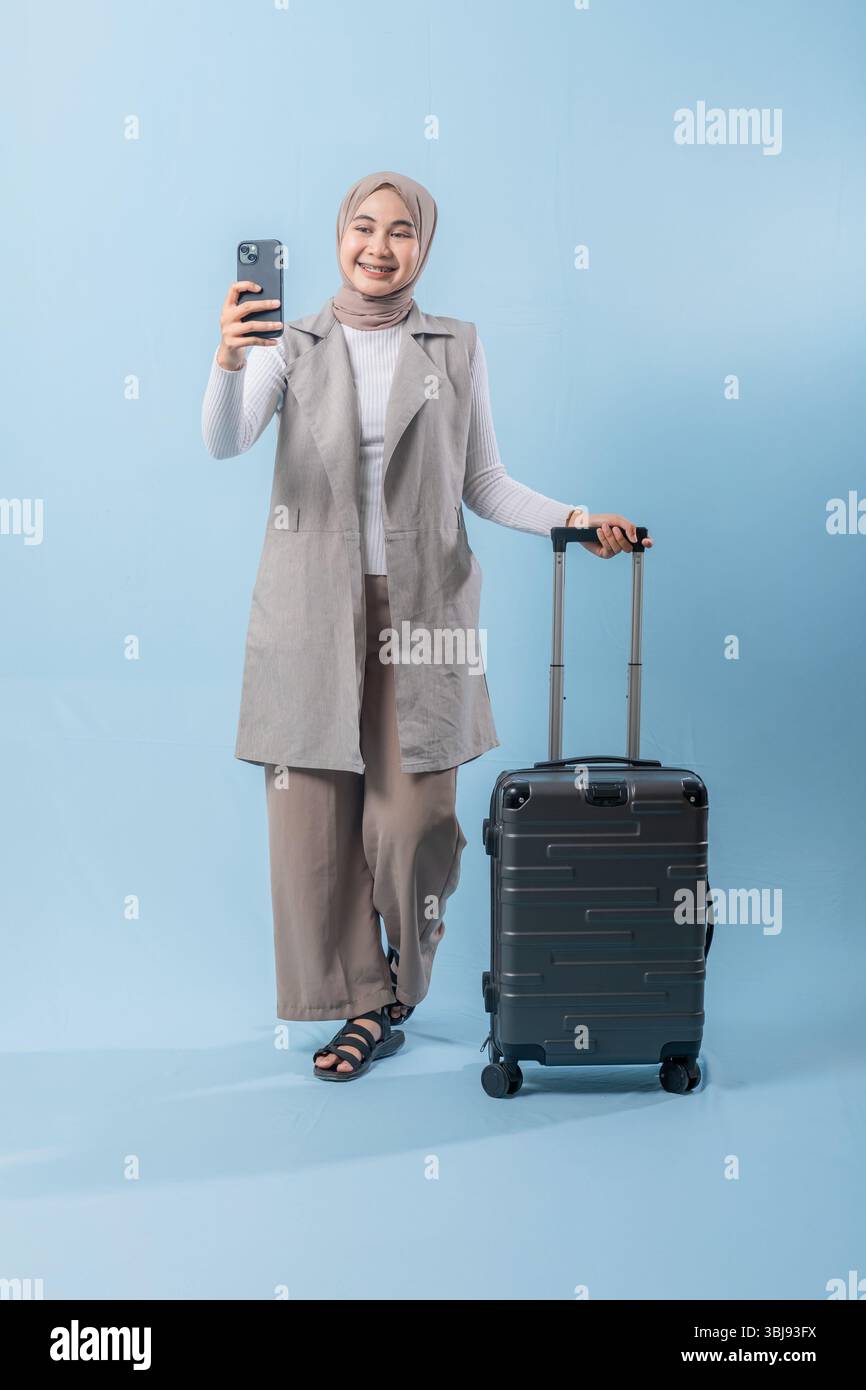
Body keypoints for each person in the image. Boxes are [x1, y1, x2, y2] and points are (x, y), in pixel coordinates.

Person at [201, 170, 652, 1083]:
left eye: (400, 231)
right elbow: (224, 440)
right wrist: (227, 357)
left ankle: (399, 981)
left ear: (425, 246)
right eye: (361, 228)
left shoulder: (457, 346)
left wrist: (575, 517)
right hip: (306, 611)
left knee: (416, 825)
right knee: (312, 832)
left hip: (423, 614)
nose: (378, 246)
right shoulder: (288, 342)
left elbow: (483, 482)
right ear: (337, 238)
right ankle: (361, 1009)